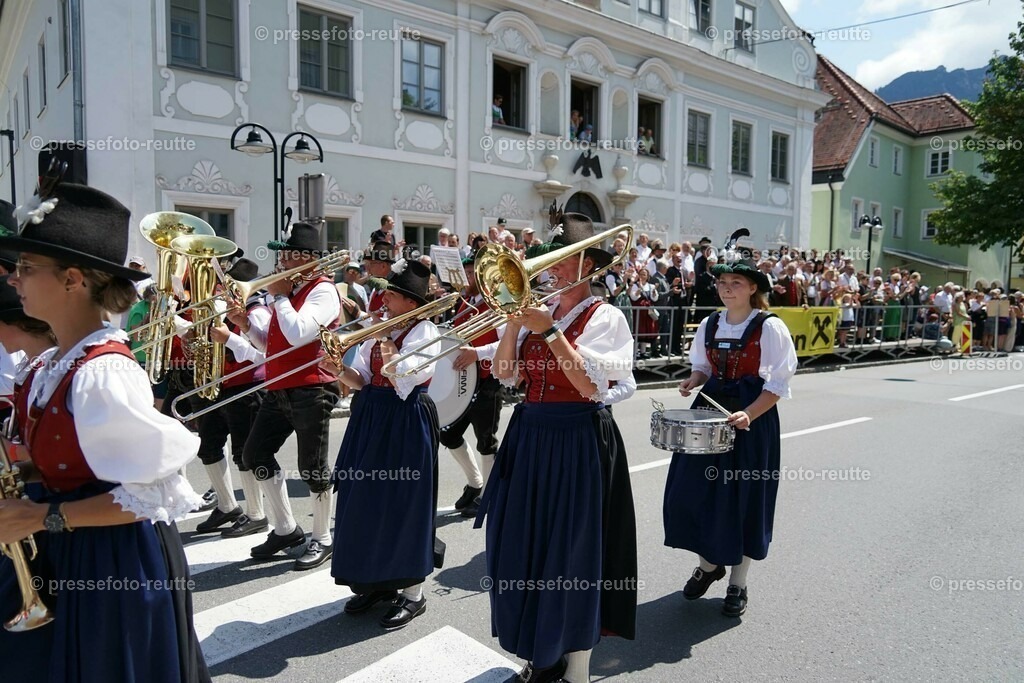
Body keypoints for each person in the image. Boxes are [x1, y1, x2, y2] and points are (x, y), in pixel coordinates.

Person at [0, 182, 210, 682]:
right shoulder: (55, 361)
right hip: (77, 543)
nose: (14, 280)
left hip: (114, 559)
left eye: (27, 267)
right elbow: (80, 457)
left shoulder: (103, 373)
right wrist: (26, 471)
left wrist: (40, 516)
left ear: (73, 279)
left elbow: (152, 493)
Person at [477, 213, 637, 683]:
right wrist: (511, 322)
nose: (552, 269)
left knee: (570, 554)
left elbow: (590, 388)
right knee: (522, 544)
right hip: (531, 434)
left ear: (589, 264)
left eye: (565, 261)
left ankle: (577, 670)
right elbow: (505, 374)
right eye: (555, 260)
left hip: (577, 439)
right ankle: (540, 653)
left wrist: (549, 331)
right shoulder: (537, 314)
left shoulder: (605, 316)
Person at [666, 257, 797, 617]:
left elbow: (778, 384)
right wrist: (694, 379)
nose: (727, 288)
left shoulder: (770, 327)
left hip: (752, 420)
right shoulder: (710, 323)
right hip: (708, 415)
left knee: (744, 500)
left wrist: (749, 413)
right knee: (693, 493)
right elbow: (704, 367)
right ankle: (709, 565)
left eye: (736, 282)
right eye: (723, 282)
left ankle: (738, 582)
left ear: (753, 288)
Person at [328, 259, 444, 630]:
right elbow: (362, 378)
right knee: (364, 500)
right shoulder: (385, 326)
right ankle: (376, 582)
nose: (382, 299)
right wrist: (336, 369)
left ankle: (412, 593)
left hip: (406, 418)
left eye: (390, 295)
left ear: (410, 303)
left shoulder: (425, 332)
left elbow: (405, 379)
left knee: (402, 504)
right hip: (372, 415)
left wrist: (382, 336)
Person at [226, 223, 341, 571]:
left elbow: (298, 334)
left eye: (287, 255)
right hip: (278, 387)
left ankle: (322, 537)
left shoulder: (324, 292)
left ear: (306, 259)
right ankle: (286, 528)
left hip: (312, 387)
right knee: (255, 452)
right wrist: (245, 325)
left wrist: (277, 296)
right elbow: (272, 346)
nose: (280, 262)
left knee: (312, 467)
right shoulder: (288, 293)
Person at [192, 258, 271, 538]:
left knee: (243, 453)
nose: (222, 293)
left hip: (247, 388)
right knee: (209, 445)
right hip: (219, 386)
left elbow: (262, 354)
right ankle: (227, 506)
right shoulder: (225, 310)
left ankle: (256, 513)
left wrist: (230, 339)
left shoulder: (258, 312)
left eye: (229, 288)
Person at [441, 254, 504, 518]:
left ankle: (489, 494)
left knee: (486, 441)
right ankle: (475, 482)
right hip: (464, 381)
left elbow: (506, 344)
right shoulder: (465, 302)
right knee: (448, 434)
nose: (469, 278)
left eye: (473, 273)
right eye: (466, 273)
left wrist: (476, 353)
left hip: (488, 381)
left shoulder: (498, 303)